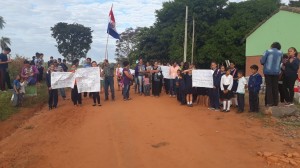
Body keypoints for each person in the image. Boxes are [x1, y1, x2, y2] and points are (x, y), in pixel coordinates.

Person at [260, 42, 283, 107]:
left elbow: (262, 61)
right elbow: (280, 62)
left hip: (268, 72)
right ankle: (275, 102)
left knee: (269, 87)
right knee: (275, 87)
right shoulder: (281, 53)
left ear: (272, 46)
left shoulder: (267, 51)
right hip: (276, 72)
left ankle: (269, 102)